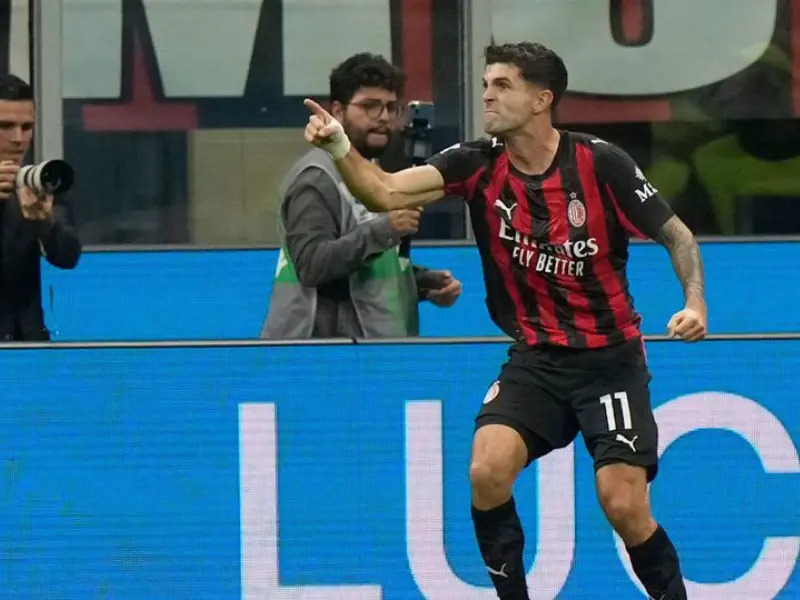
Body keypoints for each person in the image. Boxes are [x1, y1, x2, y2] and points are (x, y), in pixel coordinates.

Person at [302, 42, 706, 599]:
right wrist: (340, 145)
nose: (487, 96)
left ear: (542, 100)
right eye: (486, 84)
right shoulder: (474, 161)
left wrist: (694, 303)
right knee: (486, 471)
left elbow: (677, 235)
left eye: (502, 85)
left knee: (623, 503)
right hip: (536, 359)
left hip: (609, 361)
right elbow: (384, 189)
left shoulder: (601, 163)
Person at [262, 53, 461, 340]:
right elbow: (311, 265)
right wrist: (385, 229)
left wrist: (419, 283)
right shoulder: (317, 178)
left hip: (370, 349)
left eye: (390, 107)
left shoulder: (373, 172)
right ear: (338, 111)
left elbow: (366, 264)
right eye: (369, 106)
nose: (383, 117)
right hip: (320, 353)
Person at [0, 74, 81, 341]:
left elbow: (68, 256)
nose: (18, 139)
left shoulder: (39, 183)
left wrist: (45, 226)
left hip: (23, 346)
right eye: (5, 126)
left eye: (26, 127)